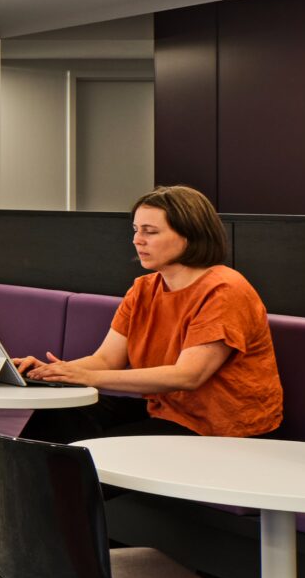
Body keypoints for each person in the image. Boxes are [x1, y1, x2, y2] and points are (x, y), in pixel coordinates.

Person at [16, 185, 282, 440]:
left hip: (221, 428)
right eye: (136, 230)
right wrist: (52, 372)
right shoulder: (143, 289)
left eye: (150, 231)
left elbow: (188, 375)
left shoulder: (224, 290)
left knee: (101, 449)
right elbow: (106, 360)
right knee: (56, 416)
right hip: (168, 411)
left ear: (190, 236)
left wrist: (86, 377)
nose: (137, 240)